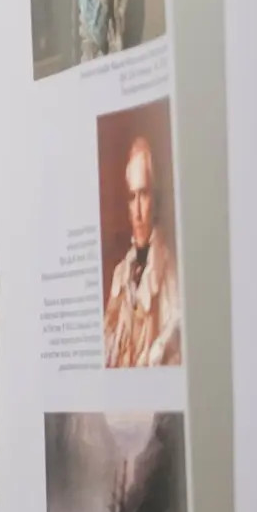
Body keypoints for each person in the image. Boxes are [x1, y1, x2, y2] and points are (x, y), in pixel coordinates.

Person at [103, 135, 183, 368]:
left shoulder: (169, 269)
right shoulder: (120, 274)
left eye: (144, 194)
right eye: (132, 197)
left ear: (155, 199)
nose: (137, 211)